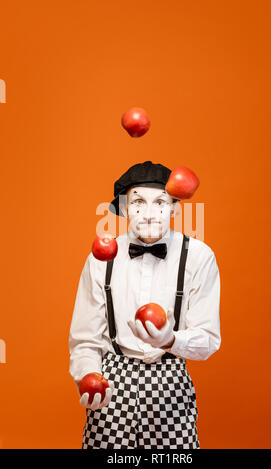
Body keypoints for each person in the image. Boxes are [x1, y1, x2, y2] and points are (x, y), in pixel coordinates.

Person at [68, 160, 221, 449]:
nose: (149, 213)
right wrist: (87, 374)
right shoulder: (101, 258)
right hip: (112, 381)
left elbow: (208, 340)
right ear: (124, 209)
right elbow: (85, 339)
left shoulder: (199, 256)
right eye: (138, 202)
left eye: (160, 202)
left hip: (171, 381)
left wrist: (171, 339)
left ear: (174, 208)